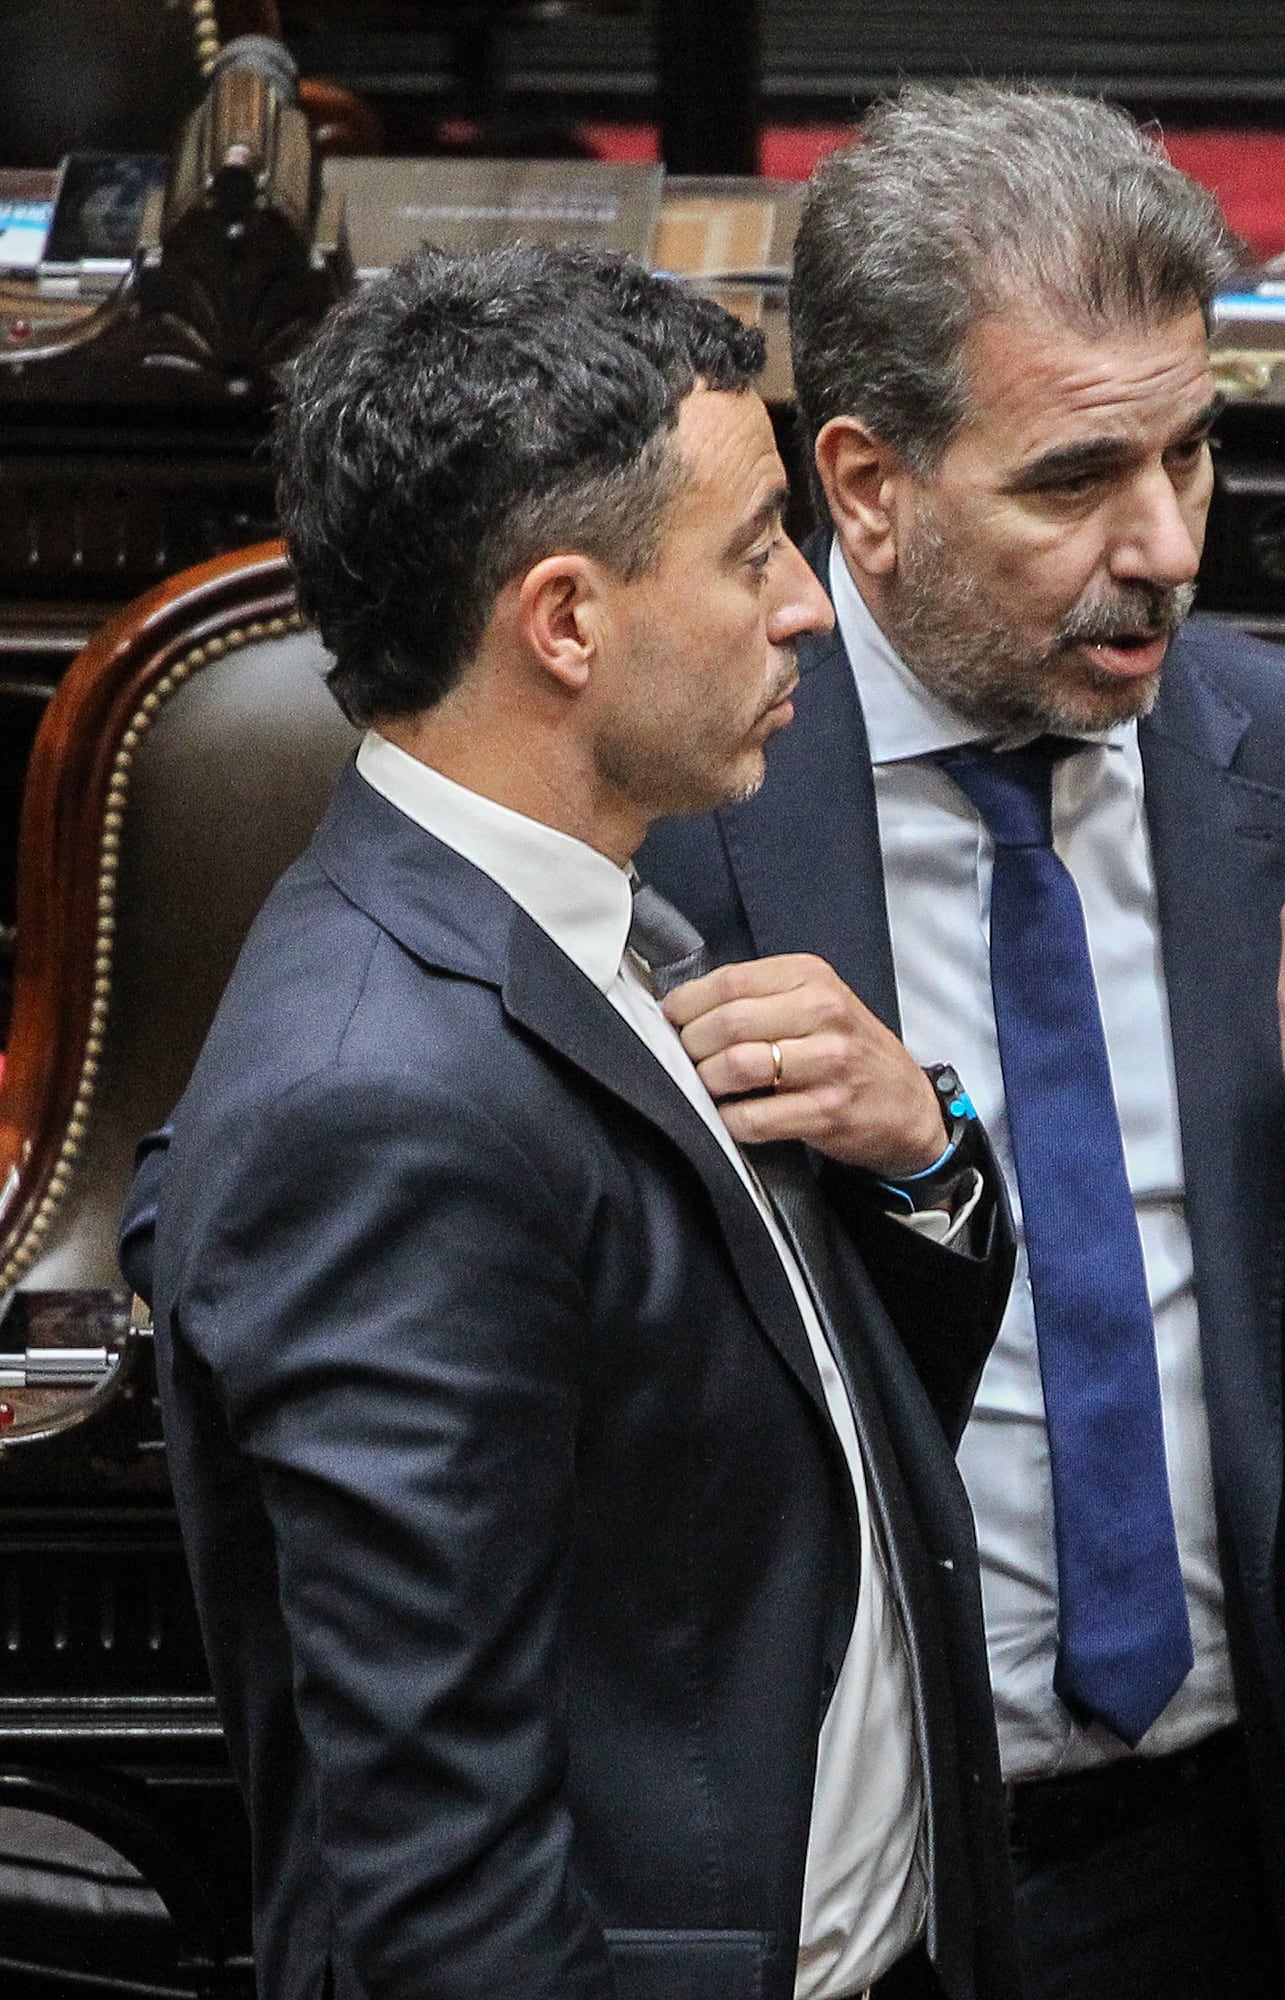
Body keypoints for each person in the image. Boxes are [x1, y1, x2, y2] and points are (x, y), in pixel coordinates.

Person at [633, 83, 1285, 2000]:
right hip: (832, 1866)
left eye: (1193, 453)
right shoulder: (666, 807)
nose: (1165, 543)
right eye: (1076, 480)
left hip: (1225, 1854)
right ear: (867, 487)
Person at [141, 245, 1019, 2000]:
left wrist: (921, 1162)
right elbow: (442, 1873)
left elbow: (761, 1465)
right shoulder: (377, 1107)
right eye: (754, 551)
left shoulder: (611, 918)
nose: (809, 607)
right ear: (564, 622)